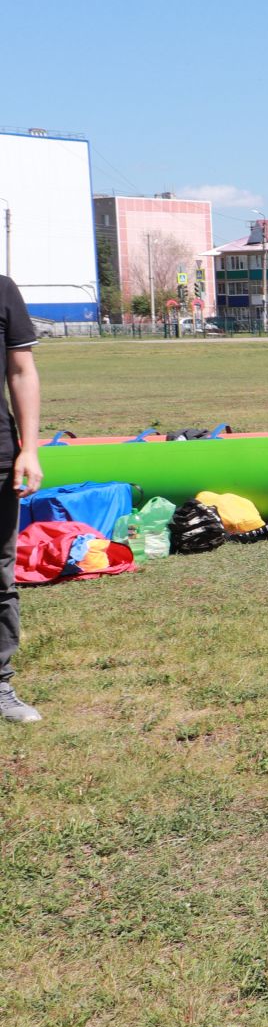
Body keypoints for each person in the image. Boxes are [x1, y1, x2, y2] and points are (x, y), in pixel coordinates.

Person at [0, 273, 43, 723]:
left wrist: (28, 449)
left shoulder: (3, 289)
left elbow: (21, 369)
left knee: (0, 573)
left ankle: (0, 685)